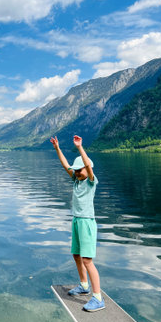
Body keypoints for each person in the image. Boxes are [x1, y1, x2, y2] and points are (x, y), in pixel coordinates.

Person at [50, 134, 105, 312]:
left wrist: (80, 147)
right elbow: (65, 165)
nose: (76, 172)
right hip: (76, 221)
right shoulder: (76, 180)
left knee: (88, 260)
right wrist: (57, 148)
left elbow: (88, 166)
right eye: (76, 170)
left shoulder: (90, 181)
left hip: (87, 223)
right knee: (76, 255)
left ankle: (97, 297)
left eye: (79, 170)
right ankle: (84, 285)